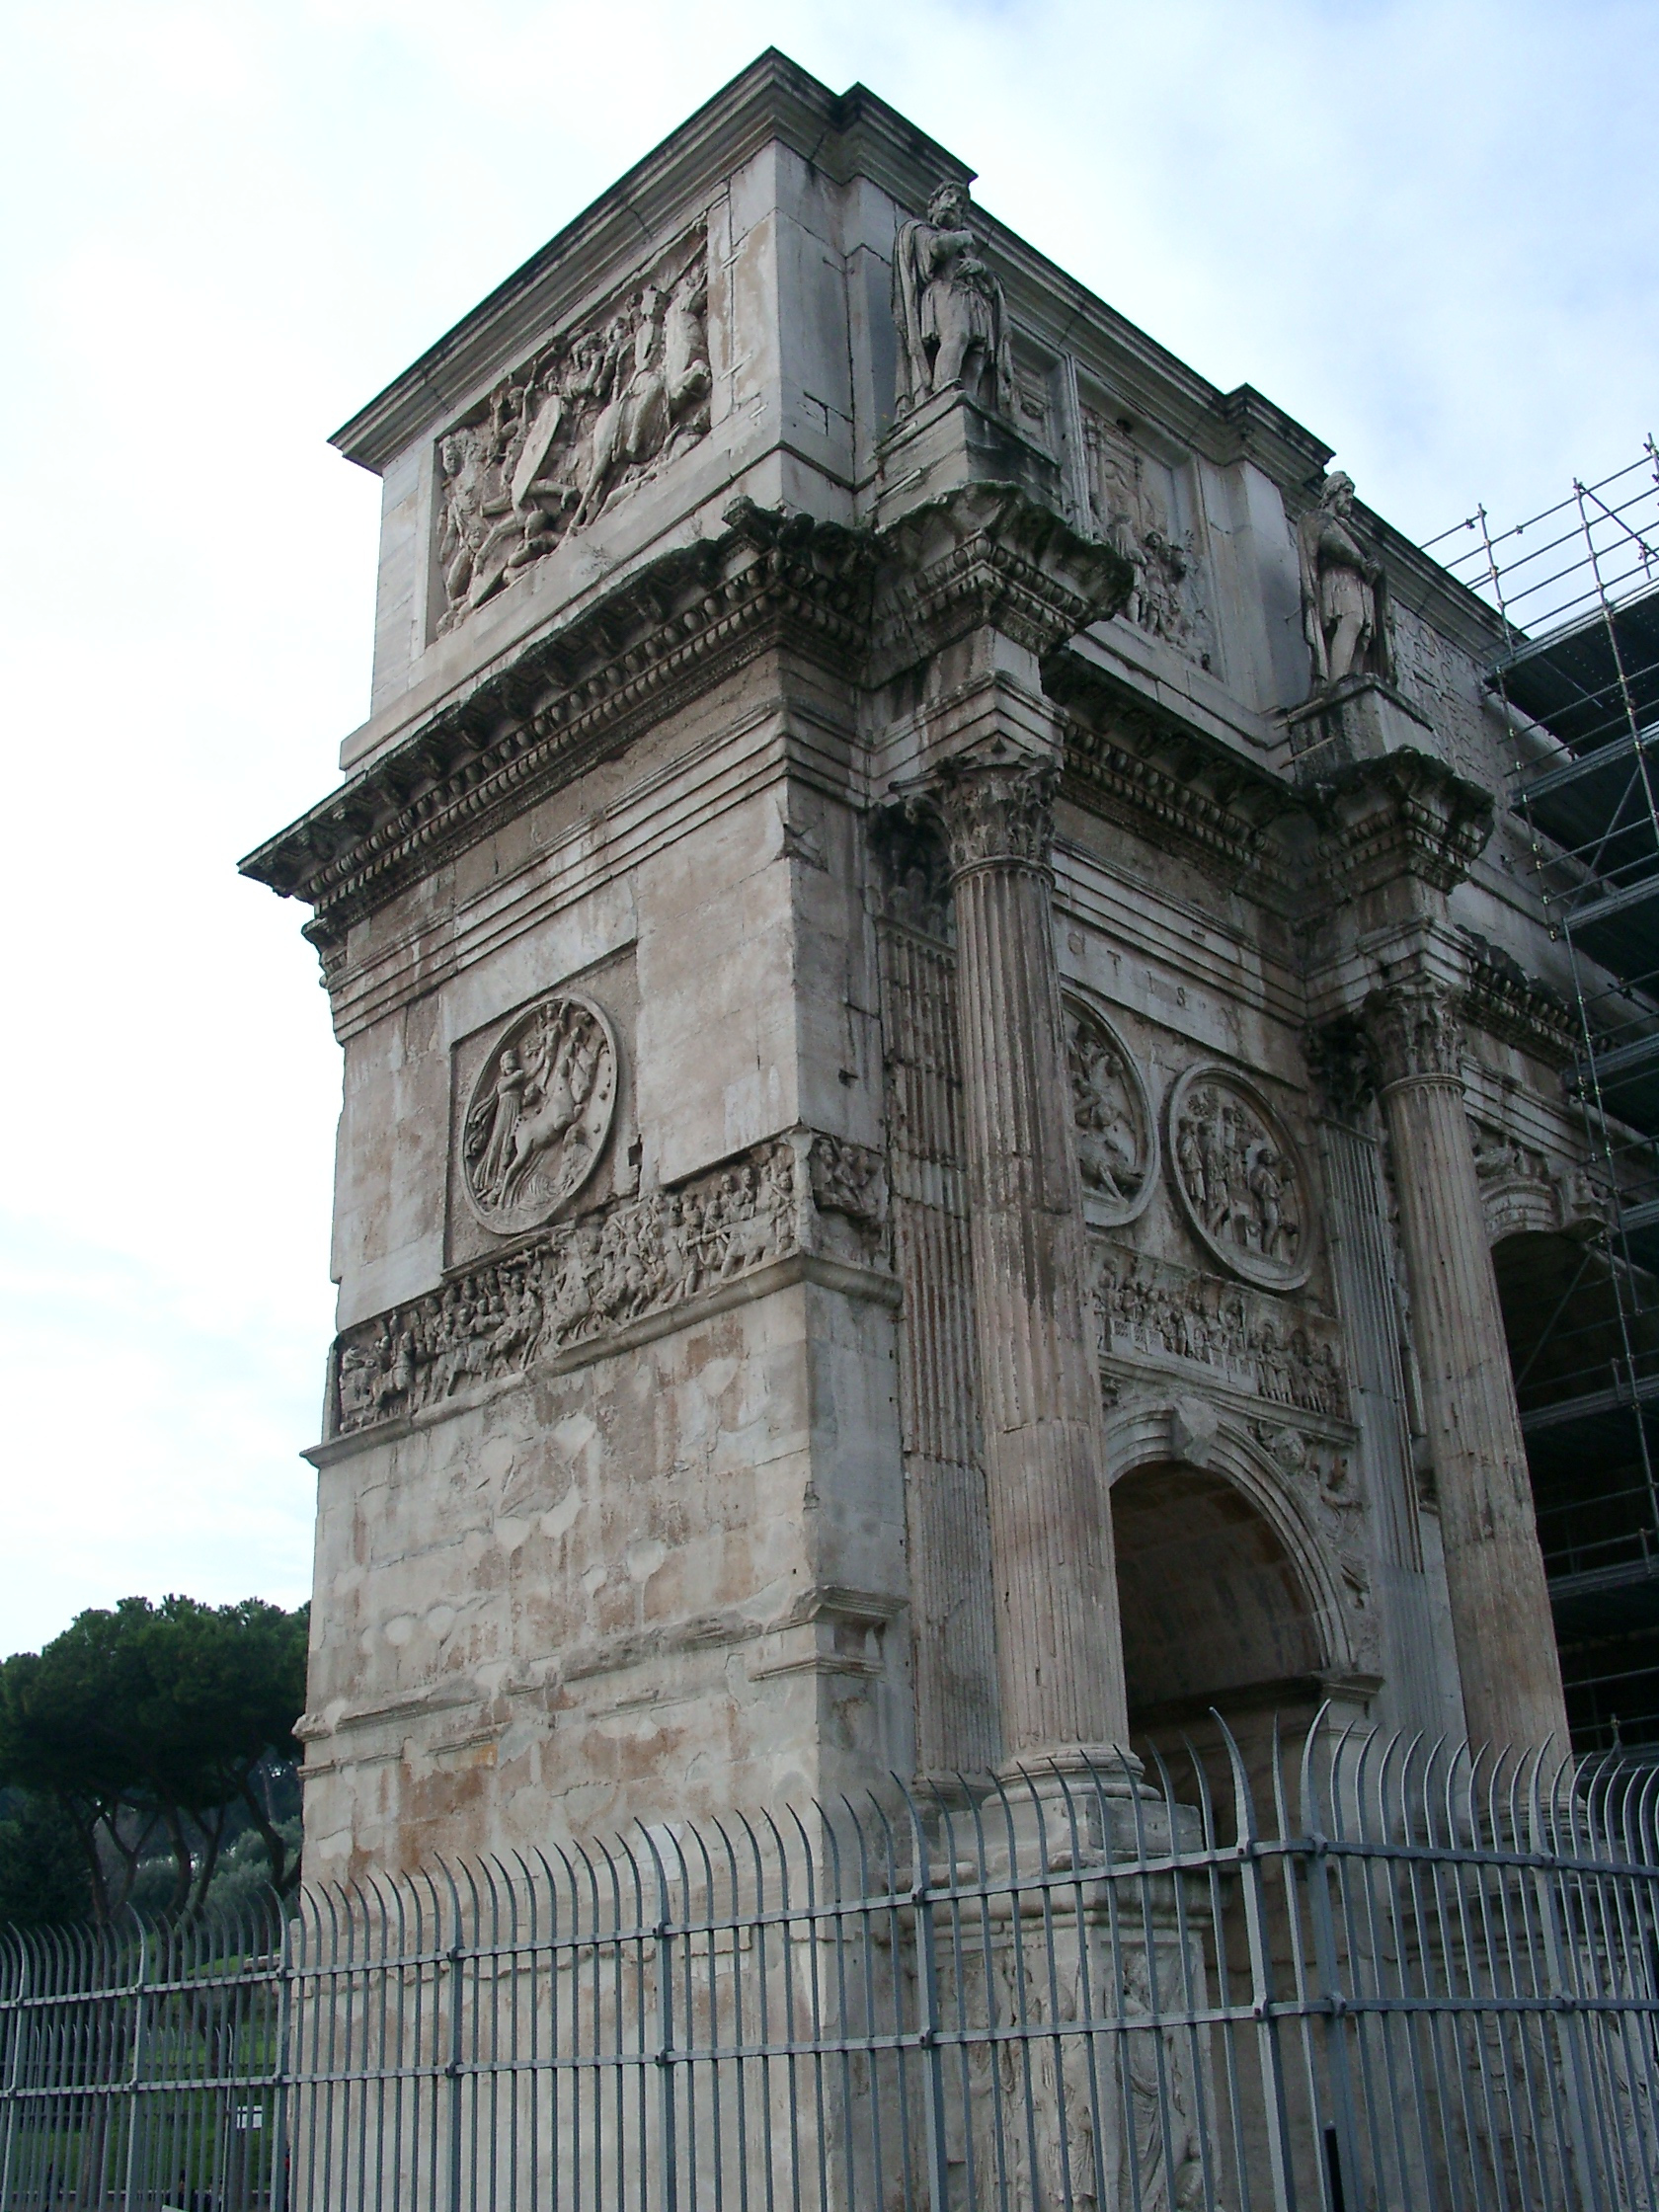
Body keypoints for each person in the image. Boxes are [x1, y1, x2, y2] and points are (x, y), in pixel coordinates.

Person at [891, 182, 1014, 419]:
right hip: (944, 293)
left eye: (960, 203)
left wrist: (981, 269)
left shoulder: (965, 250)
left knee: (977, 358)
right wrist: (963, 237)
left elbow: (991, 286)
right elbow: (937, 249)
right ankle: (943, 395)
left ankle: (969, 404)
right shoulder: (921, 230)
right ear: (933, 204)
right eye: (948, 197)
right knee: (957, 337)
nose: (953, 204)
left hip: (973, 302)